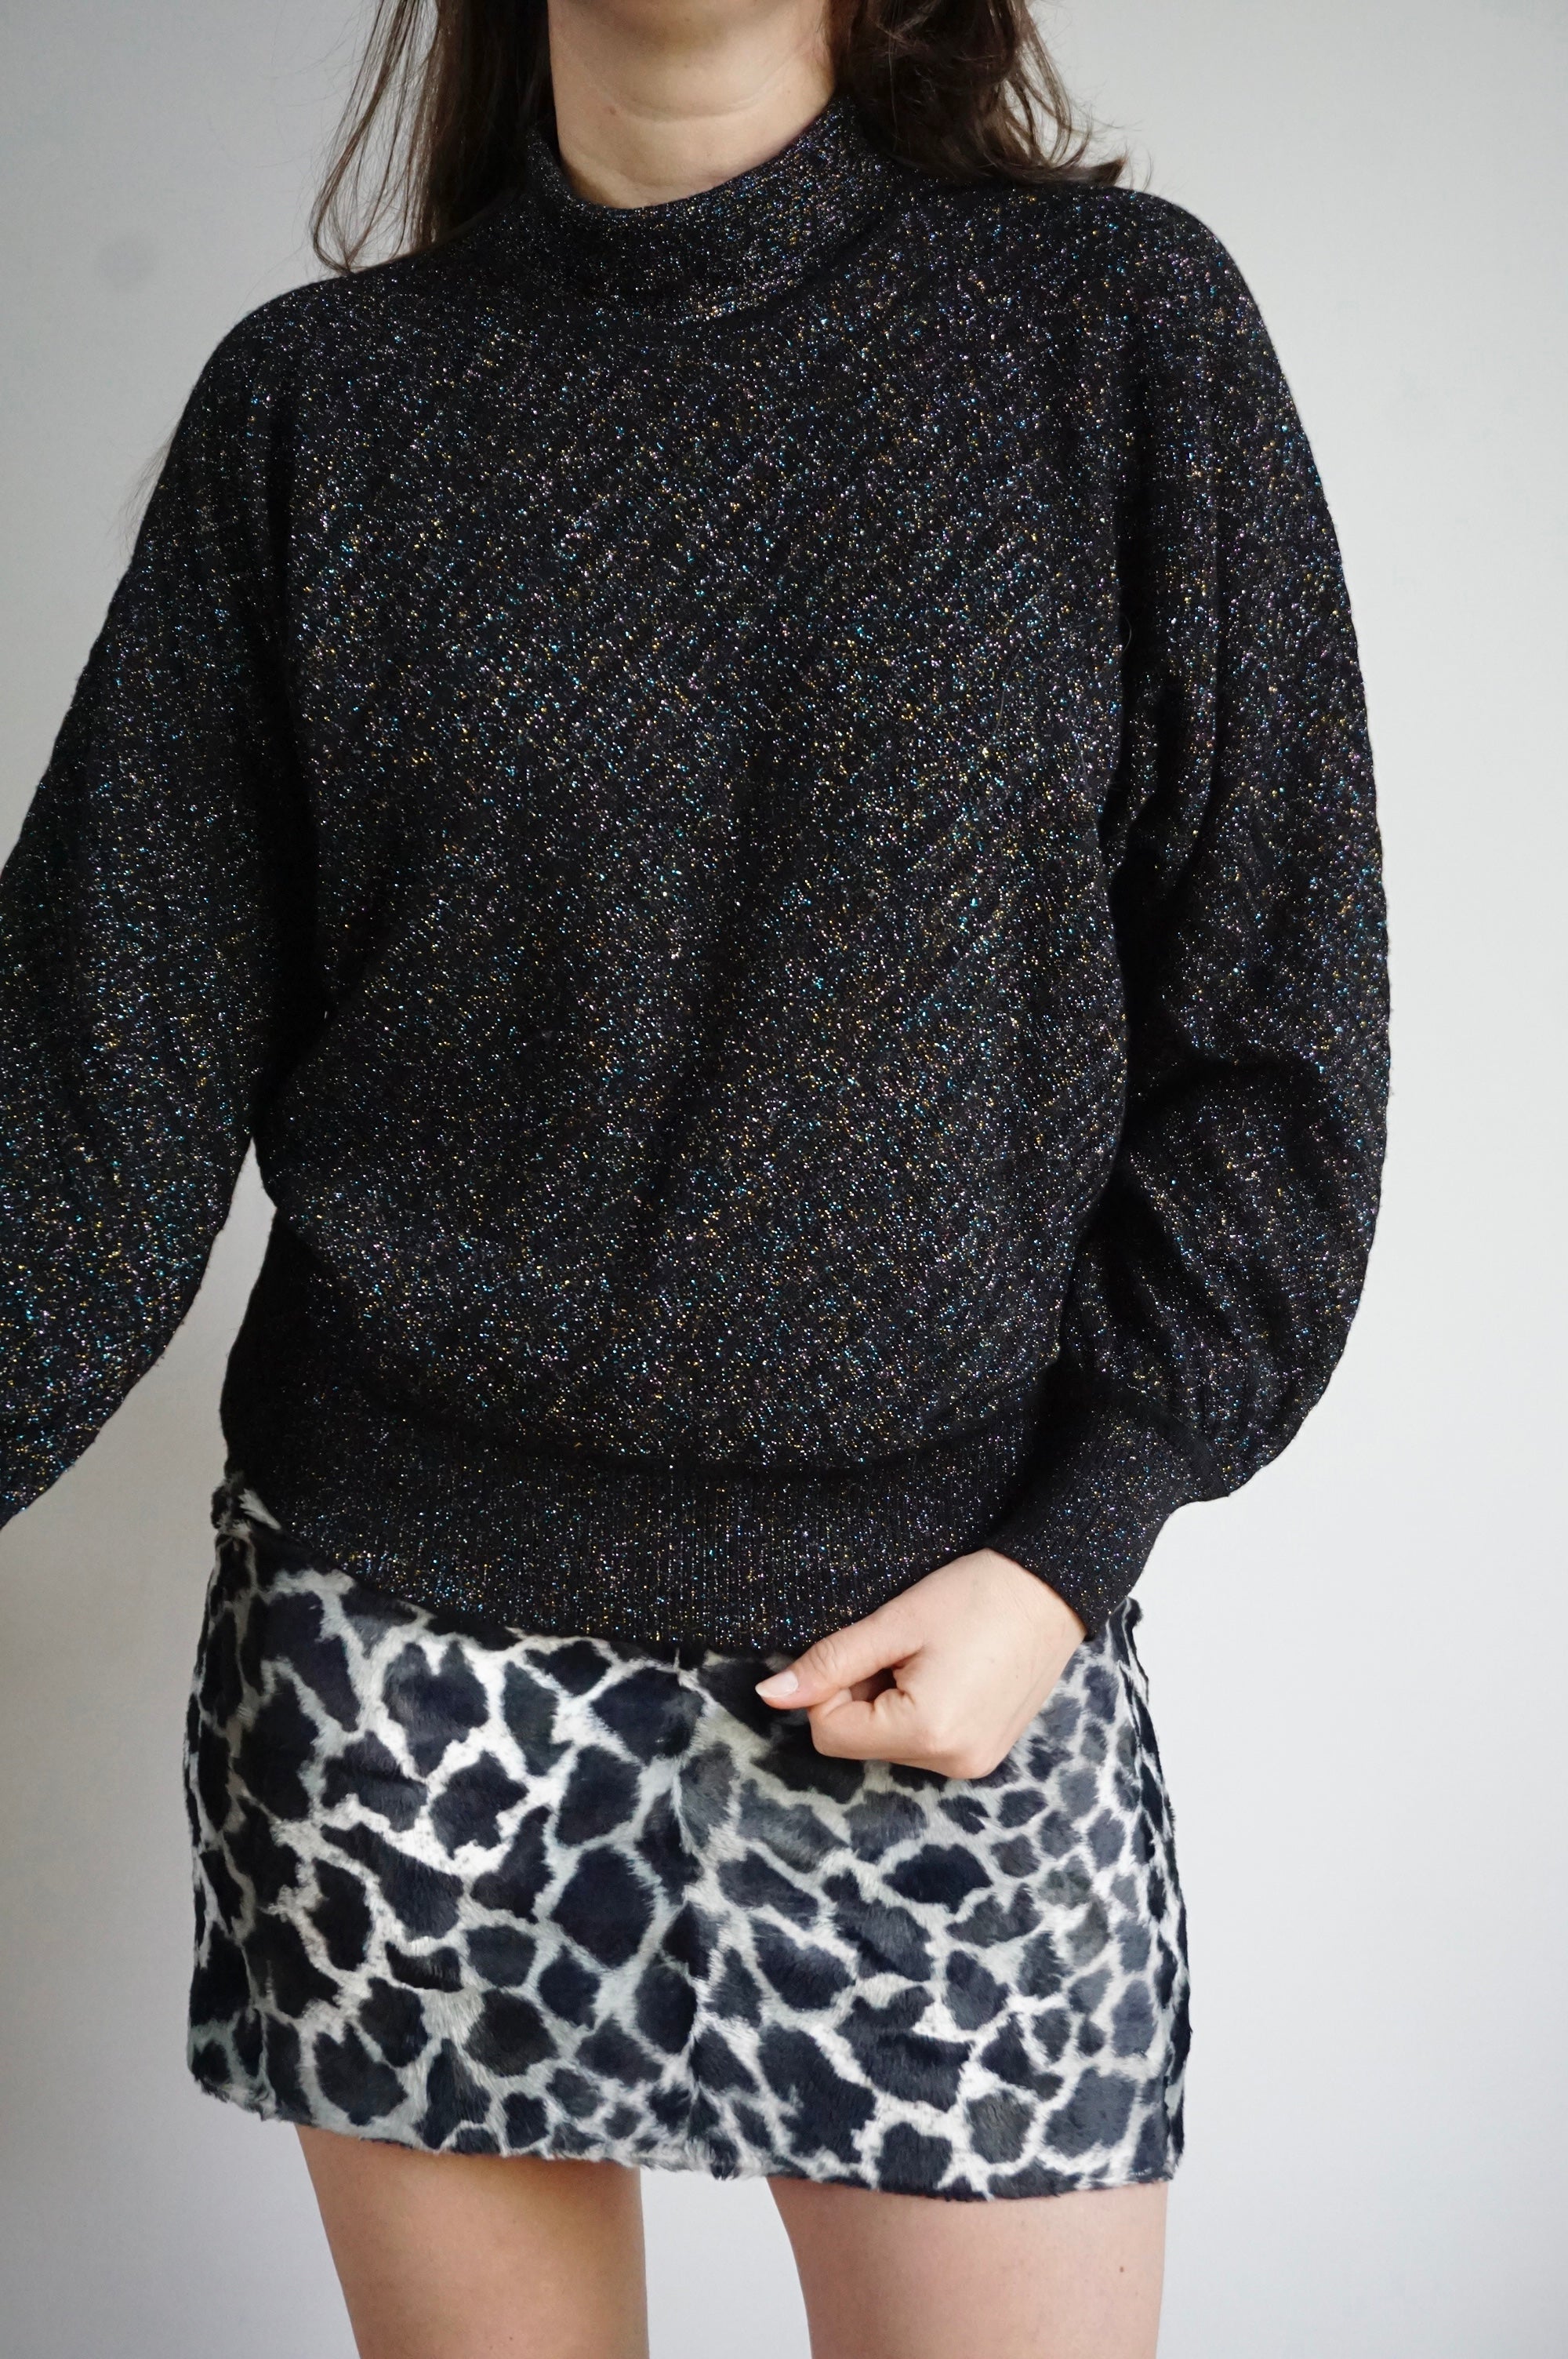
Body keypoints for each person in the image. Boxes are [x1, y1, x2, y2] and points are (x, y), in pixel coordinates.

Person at [0, 0, 1390, 2346]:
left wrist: (1071, 1552)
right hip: (403, 1684)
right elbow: (77, 1085)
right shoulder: (320, 410)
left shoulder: (1116, 335)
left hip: (946, 1648)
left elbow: (1279, 1022)